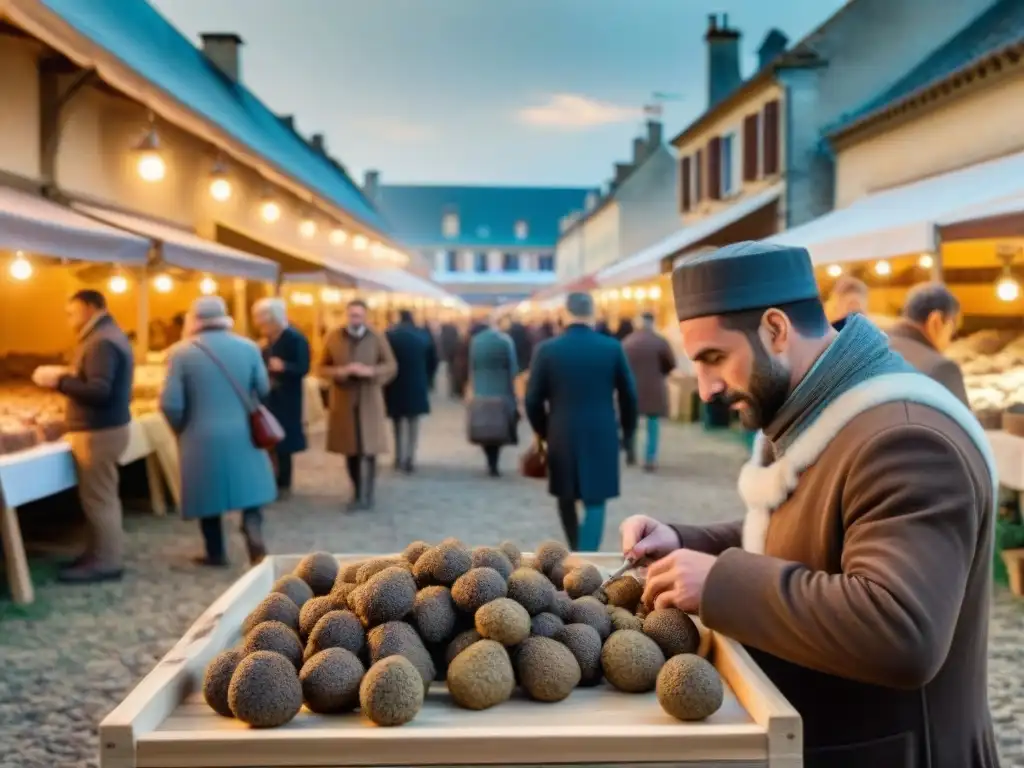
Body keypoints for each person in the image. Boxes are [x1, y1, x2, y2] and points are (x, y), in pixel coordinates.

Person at [620, 241, 997, 767]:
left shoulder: (907, 439)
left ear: (776, 329)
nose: (705, 388)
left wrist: (719, 581)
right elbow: (815, 531)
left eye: (715, 358)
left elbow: (902, 631)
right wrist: (686, 542)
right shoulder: (821, 407)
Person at [160, 297, 275, 567]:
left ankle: (215, 551)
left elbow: (170, 403)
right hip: (242, 429)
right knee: (250, 490)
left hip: (199, 434)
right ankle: (252, 529)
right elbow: (263, 386)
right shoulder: (248, 347)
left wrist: (181, 428)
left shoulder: (180, 353)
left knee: (206, 494)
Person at [32, 289, 133, 583]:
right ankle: (97, 553)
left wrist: (59, 380)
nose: (68, 319)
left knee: (99, 499)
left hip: (98, 431)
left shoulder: (101, 341)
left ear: (90, 308)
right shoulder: (107, 336)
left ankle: (106, 562)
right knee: (100, 498)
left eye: (71, 312)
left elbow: (99, 390)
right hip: (105, 428)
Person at [526, 293, 637, 551]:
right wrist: (628, 431)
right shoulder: (611, 348)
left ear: (565, 313)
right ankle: (586, 558)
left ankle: (577, 551)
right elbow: (629, 394)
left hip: (561, 431)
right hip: (602, 431)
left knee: (565, 496)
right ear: (593, 314)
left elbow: (532, 400)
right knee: (595, 500)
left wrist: (543, 430)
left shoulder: (547, 350)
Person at [320, 299, 397, 511]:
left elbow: (390, 365)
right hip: (344, 400)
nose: (355, 319)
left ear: (365, 316)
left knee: (370, 448)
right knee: (350, 449)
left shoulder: (376, 337)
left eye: (359, 315)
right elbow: (320, 367)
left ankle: (368, 493)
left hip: (369, 399)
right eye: (352, 315)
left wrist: (371, 372)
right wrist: (340, 372)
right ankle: (356, 491)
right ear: (347, 315)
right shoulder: (334, 337)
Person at [252, 297, 311, 494]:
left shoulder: (295, 338)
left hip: (288, 397)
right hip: (269, 397)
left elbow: (303, 367)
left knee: (284, 441)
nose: (262, 328)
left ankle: (283, 482)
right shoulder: (266, 342)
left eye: (265, 323)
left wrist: (284, 366)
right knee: (268, 437)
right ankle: (271, 478)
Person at [887, 281, 969, 406]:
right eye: (952, 330)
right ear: (936, 321)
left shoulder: (870, 348)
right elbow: (962, 425)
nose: (949, 342)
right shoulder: (940, 369)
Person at [384, 309, 437, 473]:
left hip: (395, 384)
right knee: (413, 423)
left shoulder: (390, 336)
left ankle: (398, 456)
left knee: (397, 423)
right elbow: (433, 361)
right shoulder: (422, 336)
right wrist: (428, 379)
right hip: (417, 383)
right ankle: (410, 457)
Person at [622, 312, 676, 471]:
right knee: (652, 425)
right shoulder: (660, 342)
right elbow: (670, 364)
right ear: (652, 323)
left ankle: (631, 452)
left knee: (631, 423)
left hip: (631, 388)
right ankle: (650, 459)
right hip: (653, 388)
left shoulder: (627, 342)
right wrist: (660, 373)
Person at [467, 316, 519, 476]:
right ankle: (494, 462)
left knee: (484, 428)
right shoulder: (505, 341)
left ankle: (490, 460)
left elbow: (472, 367)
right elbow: (513, 368)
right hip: (502, 391)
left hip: (481, 391)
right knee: (499, 429)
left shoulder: (475, 342)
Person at [506, 317, 534, 401]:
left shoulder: (509, 339)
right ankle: (522, 397)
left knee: (515, 383)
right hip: (524, 364)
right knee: (522, 384)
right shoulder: (527, 337)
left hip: (515, 364)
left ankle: (517, 397)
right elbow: (529, 351)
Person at [439, 321, 460, 398]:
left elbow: (441, 344)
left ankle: (451, 390)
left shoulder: (444, 333)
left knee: (450, 373)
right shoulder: (453, 332)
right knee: (453, 372)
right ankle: (454, 390)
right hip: (454, 354)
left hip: (448, 354)